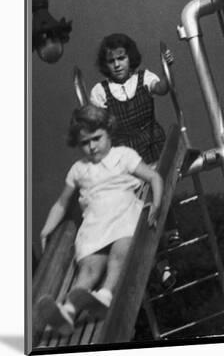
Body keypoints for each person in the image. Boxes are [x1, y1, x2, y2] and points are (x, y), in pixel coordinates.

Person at [36, 105, 163, 335]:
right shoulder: (78, 169)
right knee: (89, 268)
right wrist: (47, 228)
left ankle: (104, 295)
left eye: (97, 138)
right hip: (94, 224)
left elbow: (153, 176)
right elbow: (62, 203)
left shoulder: (123, 156)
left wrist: (156, 204)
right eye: (85, 142)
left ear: (108, 132)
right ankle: (68, 312)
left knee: (121, 251)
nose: (92, 146)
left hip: (122, 213)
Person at [90, 33, 180, 288]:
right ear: (105, 64)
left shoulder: (144, 78)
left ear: (130, 58)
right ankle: (162, 266)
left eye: (121, 58)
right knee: (138, 209)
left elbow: (162, 89)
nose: (117, 64)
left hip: (153, 145)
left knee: (159, 187)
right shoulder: (101, 91)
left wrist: (167, 69)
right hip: (127, 154)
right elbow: (97, 122)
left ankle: (169, 235)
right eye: (111, 61)